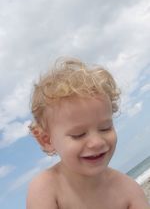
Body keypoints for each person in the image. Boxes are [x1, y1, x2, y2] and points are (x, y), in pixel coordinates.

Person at [26, 57, 149, 209]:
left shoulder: (129, 190)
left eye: (105, 128)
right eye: (78, 134)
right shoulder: (46, 188)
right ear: (47, 140)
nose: (97, 142)